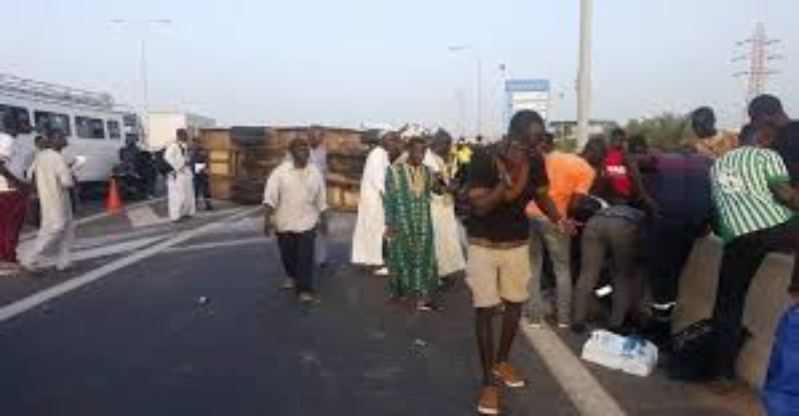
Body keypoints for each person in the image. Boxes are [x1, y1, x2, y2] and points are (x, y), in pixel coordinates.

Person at [467, 110, 571, 415]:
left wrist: (558, 219)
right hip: (483, 244)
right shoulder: (483, 157)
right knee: (485, 311)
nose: (539, 145)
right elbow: (480, 207)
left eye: (540, 139)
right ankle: (488, 383)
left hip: (516, 243)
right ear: (515, 134)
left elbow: (541, 195)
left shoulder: (536, 161)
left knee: (514, 305)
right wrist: (503, 185)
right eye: (533, 139)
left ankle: (501, 363)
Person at [706, 124, 799, 391]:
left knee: (728, 303)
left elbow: (717, 208)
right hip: (775, 227)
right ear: (764, 139)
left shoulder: (717, 165)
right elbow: (785, 195)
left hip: (737, 236)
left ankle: (721, 374)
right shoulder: (767, 156)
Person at [638, 137, 714, 346]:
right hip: (693, 224)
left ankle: (660, 328)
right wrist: (707, 223)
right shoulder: (709, 163)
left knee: (661, 276)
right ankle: (662, 324)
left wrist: (647, 201)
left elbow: (634, 167)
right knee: (673, 273)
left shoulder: (661, 159)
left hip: (664, 221)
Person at [525, 132, 595, 328]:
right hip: (557, 218)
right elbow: (578, 201)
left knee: (533, 267)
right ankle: (563, 318)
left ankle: (534, 317)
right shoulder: (583, 167)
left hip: (529, 214)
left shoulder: (534, 161)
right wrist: (568, 220)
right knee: (562, 268)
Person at [263, 138, 327, 305]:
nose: (304, 153)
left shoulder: (315, 172)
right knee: (288, 256)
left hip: (307, 221)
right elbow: (270, 198)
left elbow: (321, 199)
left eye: (306, 149)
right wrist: (267, 220)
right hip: (284, 222)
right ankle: (291, 275)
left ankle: (304, 290)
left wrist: (324, 220)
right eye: (300, 149)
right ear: (291, 153)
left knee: (305, 257)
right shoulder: (280, 172)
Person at [385, 137, 439, 311]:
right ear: (409, 150)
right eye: (417, 151)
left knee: (426, 256)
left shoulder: (428, 171)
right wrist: (390, 223)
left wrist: (447, 187)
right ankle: (402, 294)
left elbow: (436, 190)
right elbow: (390, 199)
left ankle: (423, 296)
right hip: (402, 222)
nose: (421, 155)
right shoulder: (394, 171)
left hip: (424, 223)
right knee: (401, 256)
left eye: (423, 152)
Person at [21, 132, 75, 272]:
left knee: (66, 229)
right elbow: (66, 182)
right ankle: (29, 258)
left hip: (47, 197)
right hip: (59, 198)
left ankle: (64, 262)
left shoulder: (41, 156)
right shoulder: (57, 157)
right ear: (53, 140)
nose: (65, 139)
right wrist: (73, 171)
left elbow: (30, 174)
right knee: (56, 229)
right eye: (62, 137)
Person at [351, 131, 403, 276]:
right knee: (379, 232)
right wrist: (391, 202)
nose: (395, 145)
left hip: (375, 201)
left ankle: (377, 262)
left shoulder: (382, 154)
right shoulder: (378, 155)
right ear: (386, 140)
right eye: (394, 141)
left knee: (377, 232)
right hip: (375, 202)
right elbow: (380, 182)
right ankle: (379, 263)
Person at [423, 129, 466, 287]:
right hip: (434, 208)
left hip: (443, 207)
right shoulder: (428, 160)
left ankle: (443, 273)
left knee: (445, 242)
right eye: (448, 145)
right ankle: (437, 276)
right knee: (437, 243)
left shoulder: (437, 158)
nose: (450, 148)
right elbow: (437, 187)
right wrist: (452, 188)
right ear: (440, 144)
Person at [0, 114, 31, 274]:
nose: (27, 126)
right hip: (10, 192)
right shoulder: (7, 141)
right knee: (11, 227)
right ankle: (7, 260)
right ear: (15, 125)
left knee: (5, 226)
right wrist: (18, 183)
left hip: (6, 190)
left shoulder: (5, 139)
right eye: (24, 123)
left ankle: (7, 258)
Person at [748, 95, 799, 185]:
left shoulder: (781, 138)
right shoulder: (782, 134)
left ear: (764, 115)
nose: (753, 124)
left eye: (754, 119)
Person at [308, 126, 329, 267]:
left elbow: (324, 173)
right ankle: (306, 256)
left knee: (322, 226)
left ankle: (321, 259)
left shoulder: (323, 152)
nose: (318, 139)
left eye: (320, 136)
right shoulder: (300, 152)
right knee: (305, 227)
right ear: (308, 136)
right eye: (315, 136)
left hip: (320, 194)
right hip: (304, 195)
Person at [164, 129, 196, 222]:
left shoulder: (184, 146)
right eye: (184, 135)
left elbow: (187, 159)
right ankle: (175, 216)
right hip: (178, 174)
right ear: (179, 136)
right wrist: (178, 167)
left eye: (186, 135)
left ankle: (187, 212)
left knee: (188, 194)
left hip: (185, 172)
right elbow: (167, 158)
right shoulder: (173, 146)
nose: (186, 136)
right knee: (177, 195)